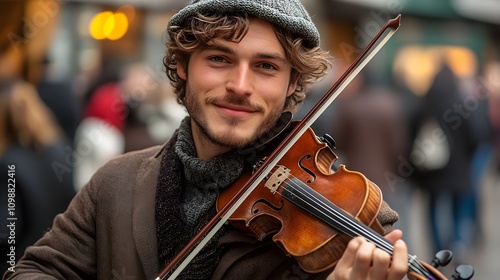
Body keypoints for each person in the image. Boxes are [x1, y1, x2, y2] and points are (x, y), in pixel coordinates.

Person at [3, 1, 409, 279]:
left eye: (266, 66)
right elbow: (35, 270)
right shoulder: (114, 183)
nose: (240, 85)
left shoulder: (355, 217)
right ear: (182, 66)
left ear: (292, 84)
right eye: (219, 59)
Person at [0, 79, 76, 274]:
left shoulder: (8, 163)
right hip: (57, 260)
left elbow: (7, 232)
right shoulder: (61, 151)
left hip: (22, 265)